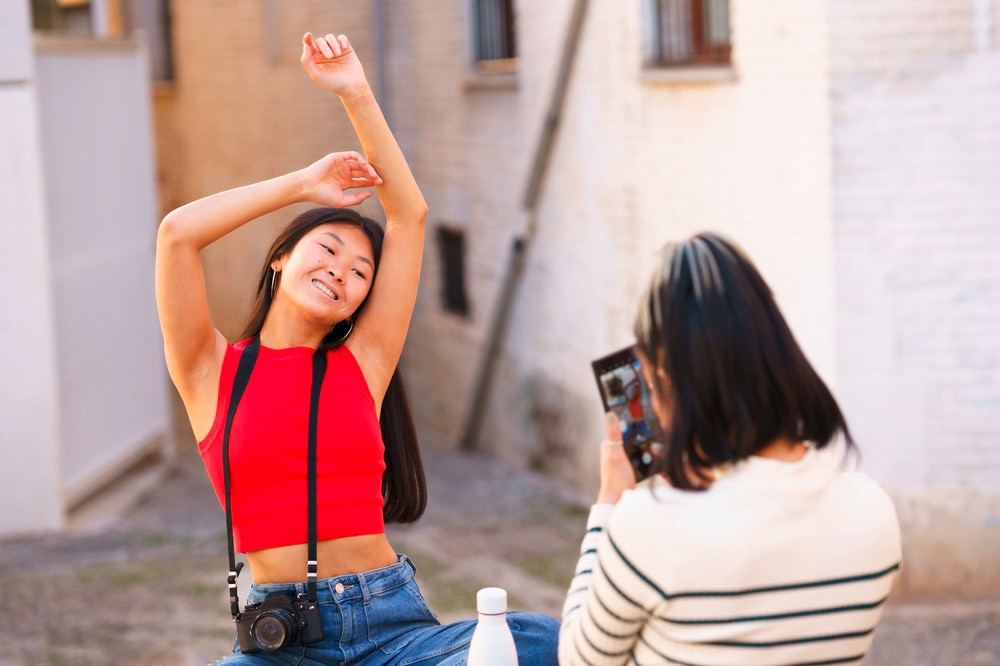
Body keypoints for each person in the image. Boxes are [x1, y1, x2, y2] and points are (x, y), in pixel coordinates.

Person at [155, 30, 559, 665]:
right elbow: (178, 235)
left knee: (539, 642)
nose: (343, 271)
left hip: (393, 630)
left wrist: (355, 91)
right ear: (279, 260)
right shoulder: (211, 371)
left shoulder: (361, 364)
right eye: (328, 250)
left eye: (362, 271)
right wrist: (303, 185)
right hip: (279, 641)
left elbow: (409, 216)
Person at [559, 233, 902, 665]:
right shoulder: (872, 510)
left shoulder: (647, 527)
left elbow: (577, 660)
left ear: (667, 381)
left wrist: (608, 504)